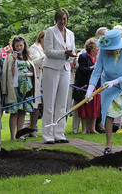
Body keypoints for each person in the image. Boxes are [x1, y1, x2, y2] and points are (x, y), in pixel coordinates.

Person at [86, 29, 122, 154]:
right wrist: (90, 88)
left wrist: (115, 82)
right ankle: (108, 145)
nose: (109, 51)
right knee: (108, 112)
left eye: (111, 48)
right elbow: (97, 71)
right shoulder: (103, 50)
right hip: (107, 83)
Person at [42, 8, 76, 144]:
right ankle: (48, 135)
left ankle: (59, 133)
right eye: (60, 19)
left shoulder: (71, 34)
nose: (62, 21)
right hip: (51, 68)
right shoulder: (50, 31)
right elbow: (48, 51)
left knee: (62, 103)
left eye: (65, 19)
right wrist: (64, 54)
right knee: (49, 103)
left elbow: (72, 50)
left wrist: (70, 57)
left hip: (65, 68)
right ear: (56, 19)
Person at [2, 36, 38, 140]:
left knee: (22, 111)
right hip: (15, 88)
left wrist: (29, 74)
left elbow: (33, 71)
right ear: (14, 46)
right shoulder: (10, 57)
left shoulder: (28, 56)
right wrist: (14, 60)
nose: (19, 47)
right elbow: (11, 73)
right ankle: (13, 136)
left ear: (24, 45)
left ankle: (20, 134)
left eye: (21, 45)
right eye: (17, 46)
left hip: (26, 88)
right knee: (14, 112)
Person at [73, 38, 101, 134]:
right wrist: (93, 67)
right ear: (91, 48)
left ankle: (93, 128)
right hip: (85, 85)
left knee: (95, 108)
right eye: (97, 47)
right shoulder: (83, 56)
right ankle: (84, 129)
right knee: (84, 108)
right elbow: (82, 69)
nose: (98, 49)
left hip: (96, 86)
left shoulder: (99, 57)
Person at [29, 31, 45, 137]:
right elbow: (34, 63)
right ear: (41, 38)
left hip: (46, 78)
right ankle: (32, 128)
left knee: (42, 105)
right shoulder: (34, 48)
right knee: (35, 104)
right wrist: (46, 55)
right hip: (36, 79)